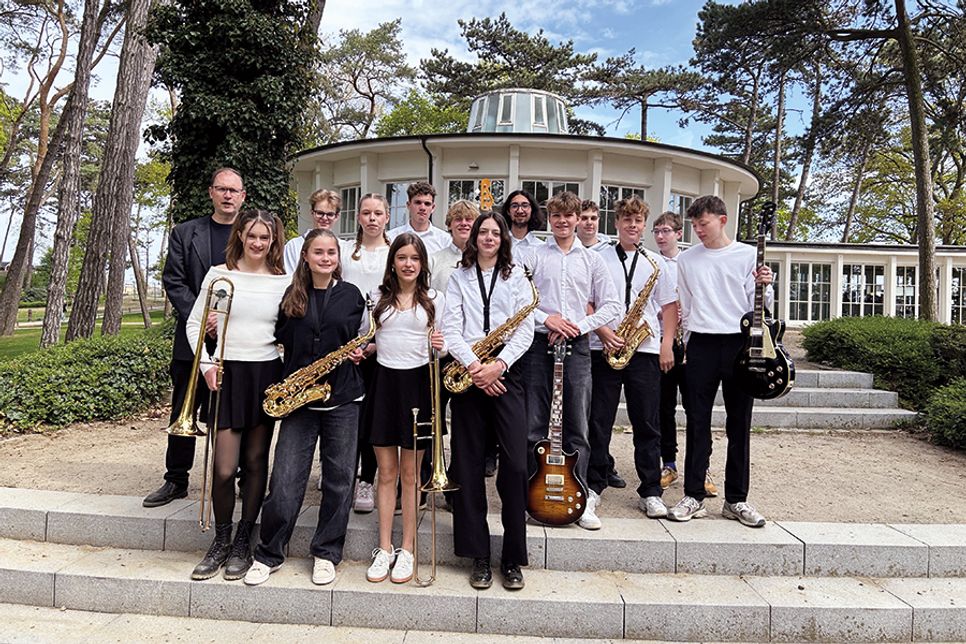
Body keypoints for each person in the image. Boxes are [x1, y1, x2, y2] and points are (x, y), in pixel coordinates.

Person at [244, 229, 367, 587]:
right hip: (299, 400)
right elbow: (273, 335)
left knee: (340, 480)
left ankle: (326, 552)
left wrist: (360, 351)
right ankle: (268, 553)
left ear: (338, 257)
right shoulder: (290, 295)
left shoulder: (352, 295)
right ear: (306, 257)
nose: (326, 258)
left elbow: (360, 338)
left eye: (331, 252)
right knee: (284, 480)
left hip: (342, 397)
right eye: (319, 252)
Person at [186, 209, 290, 581]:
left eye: (265, 237)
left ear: (273, 241)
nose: (258, 243)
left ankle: (244, 539)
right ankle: (221, 539)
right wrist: (207, 365)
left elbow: (290, 329)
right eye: (252, 236)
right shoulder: (220, 275)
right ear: (241, 236)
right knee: (224, 467)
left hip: (265, 373)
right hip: (227, 372)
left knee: (256, 461)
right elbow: (195, 323)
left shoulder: (284, 281)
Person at [668, 195, 773, 527]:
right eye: (694, 225)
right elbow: (685, 302)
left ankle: (736, 499)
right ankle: (694, 495)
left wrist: (766, 285)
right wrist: (686, 342)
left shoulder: (747, 255)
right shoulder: (687, 259)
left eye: (704, 224)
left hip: (739, 343)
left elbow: (758, 304)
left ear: (722, 220)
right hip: (701, 343)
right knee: (697, 421)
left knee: (739, 423)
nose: (698, 230)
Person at [442, 212, 534, 590]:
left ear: (503, 238)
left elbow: (525, 327)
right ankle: (478, 555)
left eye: (496, 233)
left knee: (515, 465)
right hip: (469, 372)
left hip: (506, 370)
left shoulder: (517, 277)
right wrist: (475, 367)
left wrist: (499, 365)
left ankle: (512, 557)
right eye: (483, 232)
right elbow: (450, 329)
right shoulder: (458, 277)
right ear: (474, 237)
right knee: (467, 466)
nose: (489, 238)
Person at [144, 168, 245, 509]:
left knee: (234, 411)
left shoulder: (252, 232)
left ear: (243, 196)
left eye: (233, 190)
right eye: (221, 189)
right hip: (192, 336)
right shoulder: (186, 233)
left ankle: (239, 477)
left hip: (237, 338)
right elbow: (174, 280)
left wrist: (227, 318)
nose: (227, 195)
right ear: (211, 192)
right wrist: (204, 317)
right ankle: (176, 479)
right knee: (182, 409)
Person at [584, 196, 677, 531]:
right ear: (617, 223)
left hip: (645, 350)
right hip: (603, 346)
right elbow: (587, 301)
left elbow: (669, 307)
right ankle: (594, 485)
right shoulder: (598, 257)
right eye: (627, 220)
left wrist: (666, 345)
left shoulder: (656, 262)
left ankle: (651, 490)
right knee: (599, 420)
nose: (632, 225)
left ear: (644, 225)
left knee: (647, 422)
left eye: (638, 221)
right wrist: (604, 332)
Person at [524, 191, 621, 501]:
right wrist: (547, 319)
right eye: (556, 215)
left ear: (578, 219)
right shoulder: (535, 255)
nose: (562, 221)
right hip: (539, 344)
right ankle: (535, 494)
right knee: (534, 424)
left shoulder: (592, 260)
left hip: (577, 346)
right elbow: (518, 300)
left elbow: (612, 305)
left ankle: (578, 495)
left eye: (568, 215)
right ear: (549, 219)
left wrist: (577, 326)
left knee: (577, 423)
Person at [361, 233, 445, 584]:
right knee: (386, 473)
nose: (408, 264)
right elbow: (368, 339)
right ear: (392, 262)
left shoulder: (435, 300)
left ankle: (407, 548)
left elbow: (443, 347)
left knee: (411, 474)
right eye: (402, 257)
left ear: (422, 264)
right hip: (384, 384)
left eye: (414, 258)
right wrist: (365, 348)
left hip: (418, 386)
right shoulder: (376, 297)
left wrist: (439, 345)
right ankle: (384, 548)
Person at [342, 194, 392, 514]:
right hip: (347, 344)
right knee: (346, 415)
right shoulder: (345, 252)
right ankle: (341, 476)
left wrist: (376, 342)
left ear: (387, 217)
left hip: (382, 343)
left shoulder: (393, 252)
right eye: (366, 213)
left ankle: (367, 478)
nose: (372, 218)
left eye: (378, 213)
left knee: (374, 416)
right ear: (358, 217)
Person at [579, 198, 626, 492]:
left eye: (593, 218)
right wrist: (604, 331)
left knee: (602, 414)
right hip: (586, 342)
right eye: (584, 217)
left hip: (606, 345)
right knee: (582, 413)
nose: (588, 222)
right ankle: (587, 467)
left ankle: (603, 464)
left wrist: (609, 335)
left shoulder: (609, 254)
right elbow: (583, 300)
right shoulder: (569, 251)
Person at [283, 189, 345, 274]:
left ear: (337, 216)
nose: (324, 218)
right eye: (320, 213)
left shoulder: (343, 247)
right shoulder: (294, 246)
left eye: (330, 214)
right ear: (312, 213)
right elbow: (290, 277)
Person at [429, 200, 479, 292]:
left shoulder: (484, 260)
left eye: (468, 219)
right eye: (458, 219)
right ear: (449, 225)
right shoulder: (433, 261)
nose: (463, 223)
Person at [388, 182, 450, 253]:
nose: (422, 208)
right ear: (408, 205)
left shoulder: (445, 240)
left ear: (433, 208)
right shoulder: (391, 238)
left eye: (427, 204)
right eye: (418, 202)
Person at [501, 189, 543, 267]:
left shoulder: (541, 248)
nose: (520, 211)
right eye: (514, 206)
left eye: (525, 206)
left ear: (532, 210)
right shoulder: (498, 243)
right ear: (508, 211)